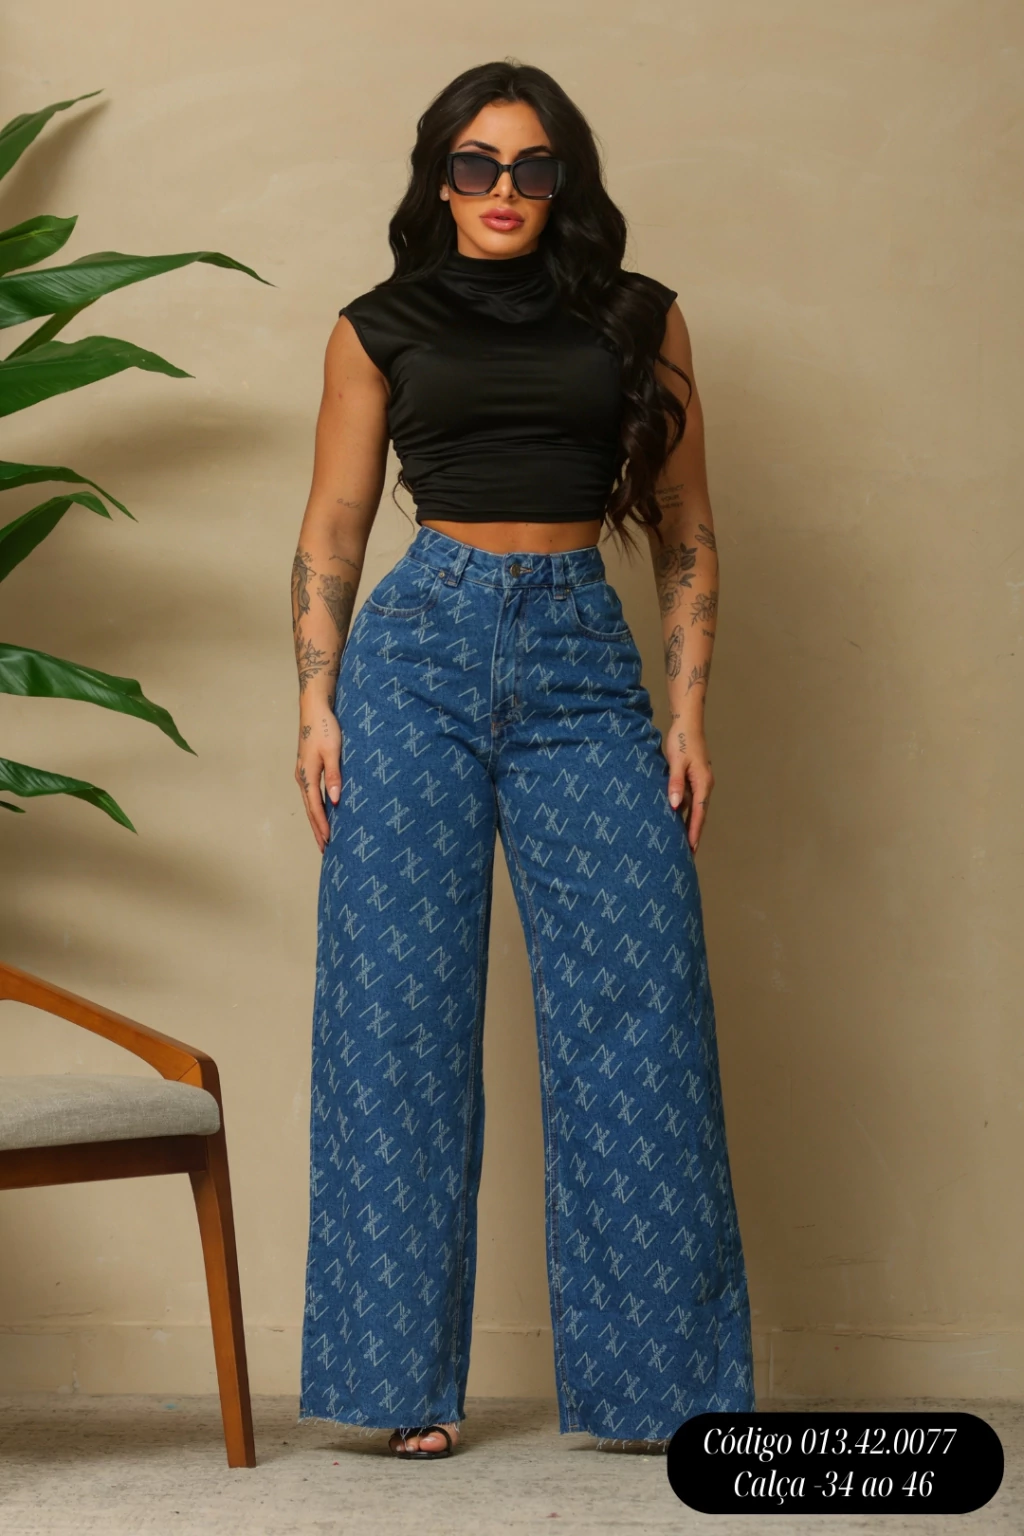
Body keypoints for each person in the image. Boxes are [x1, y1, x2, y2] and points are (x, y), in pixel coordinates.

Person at [291, 59, 755, 1460]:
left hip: (578, 664)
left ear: (566, 182)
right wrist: (316, 703)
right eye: (478, 164)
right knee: (395, 1019)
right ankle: (398, 1390)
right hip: (413, 660)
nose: (505, 189)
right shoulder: (377, 327)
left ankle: (662, 1391)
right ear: (440, 179)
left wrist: (687, 713)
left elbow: (685, 524)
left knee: (641, 1009)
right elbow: (333, 527)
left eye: (533, 167)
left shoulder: (639, 318)